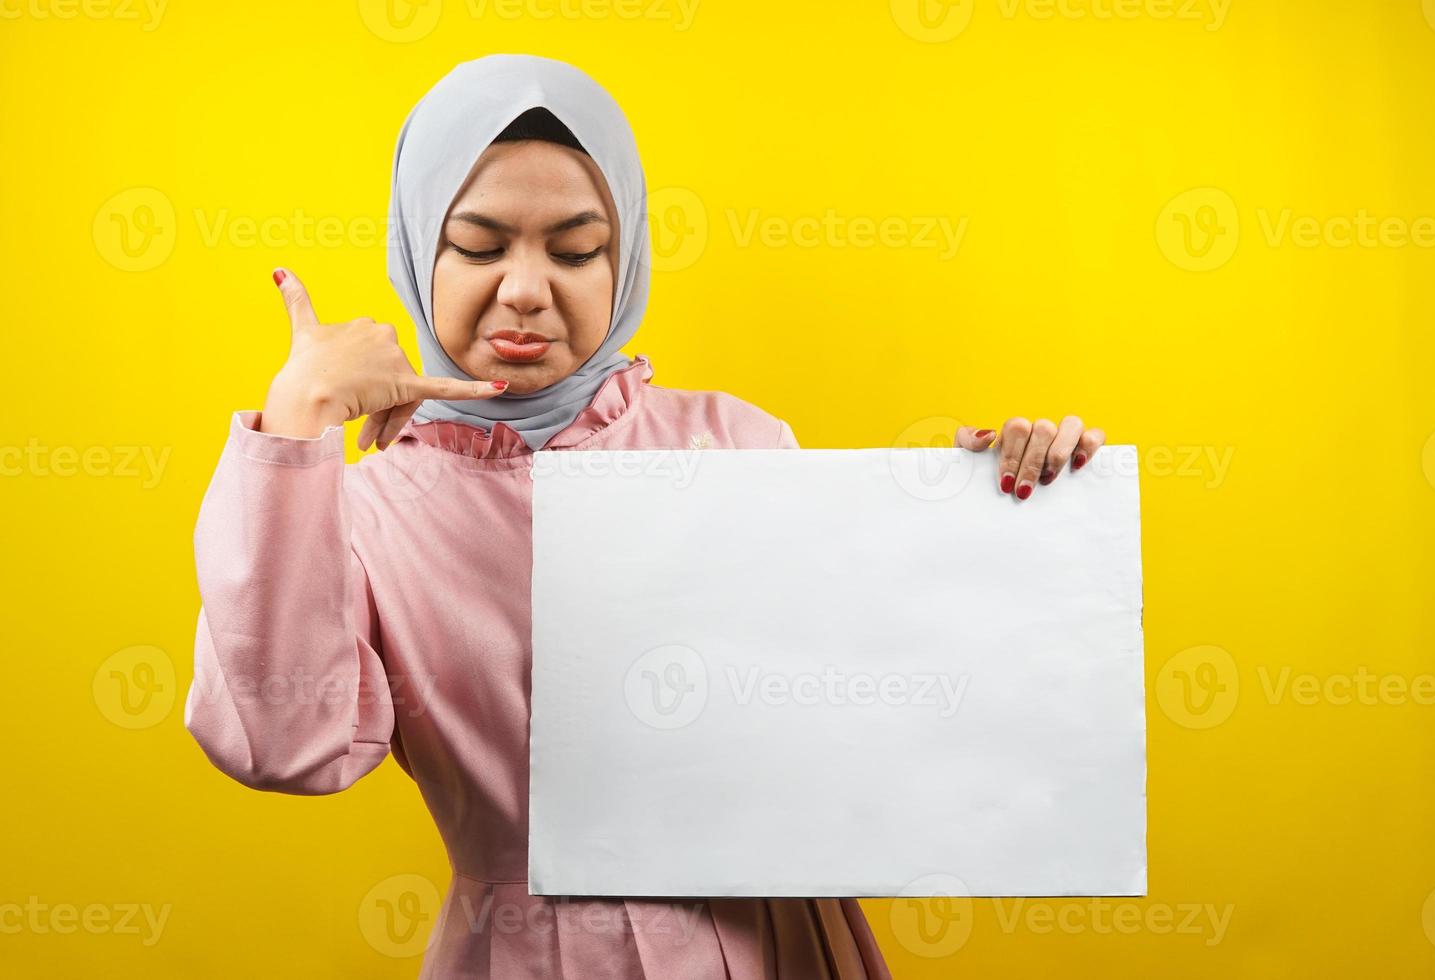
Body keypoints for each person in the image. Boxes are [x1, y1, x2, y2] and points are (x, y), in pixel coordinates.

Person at [184, 53, 1103, 979]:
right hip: (529, 957)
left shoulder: (737, 442)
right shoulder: (354, 513)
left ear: (624, 265)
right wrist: (294, 422)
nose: (527, 289)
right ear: (420, 249)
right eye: (479, 244)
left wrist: (1025, 518)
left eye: (577, 251)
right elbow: (281, 744)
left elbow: (891, 696)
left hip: (775, 945)